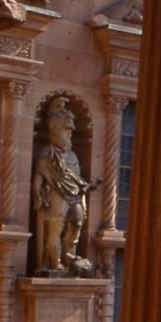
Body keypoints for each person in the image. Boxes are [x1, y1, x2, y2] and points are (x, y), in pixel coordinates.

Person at [33, 96, 100, 275]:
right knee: (57, 225)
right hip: (55, 193)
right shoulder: (47, 152)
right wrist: (37, 195)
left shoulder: (73, 156)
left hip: (74, 195)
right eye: (65, 131)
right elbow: (39, 175)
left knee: (77, 223)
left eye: (70, 132)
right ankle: (54, 263)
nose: (69, 134)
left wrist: (85, 192)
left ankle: (69, 255)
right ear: (55, 130)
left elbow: (77, 179)